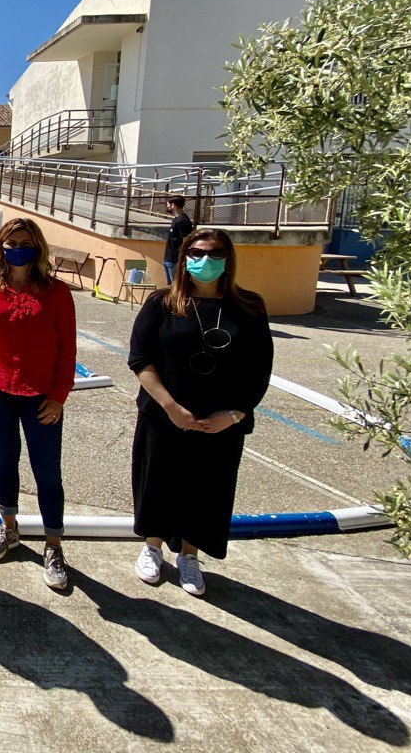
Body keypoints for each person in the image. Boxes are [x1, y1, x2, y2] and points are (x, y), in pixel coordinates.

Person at [128, 227, 273, 597]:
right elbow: (141, 359)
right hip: (165, 416)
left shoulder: (249, 307)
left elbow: (260, 368)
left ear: (228, 259)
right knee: (157, 481)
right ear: (184, 258)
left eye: (213, 253)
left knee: (208, 488)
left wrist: (236, 414)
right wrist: (170, 406)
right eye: (195, 252)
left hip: (220, 422)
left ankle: (189, 556)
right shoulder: (162, 304)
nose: (204, 260)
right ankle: (153, 548)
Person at [0, 217, 76, 591]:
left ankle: (54, 545)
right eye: (10, 243)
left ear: (37, 247)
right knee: (5, 459)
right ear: (0, 248)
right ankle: (9, 528)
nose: (17, 249)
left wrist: (59, 396)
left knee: (47, 472)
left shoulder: (57, 293)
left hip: (41, 397)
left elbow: (67, 350)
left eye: (25, 242)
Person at [163, 196, 194, 285]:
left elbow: (187, 240)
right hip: (168, 258)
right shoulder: (175, 220)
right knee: (170, 287)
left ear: (173, 205)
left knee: (176, 285)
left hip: (175, 260)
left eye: (168, 204)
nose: (167, 207)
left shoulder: (183, 221)